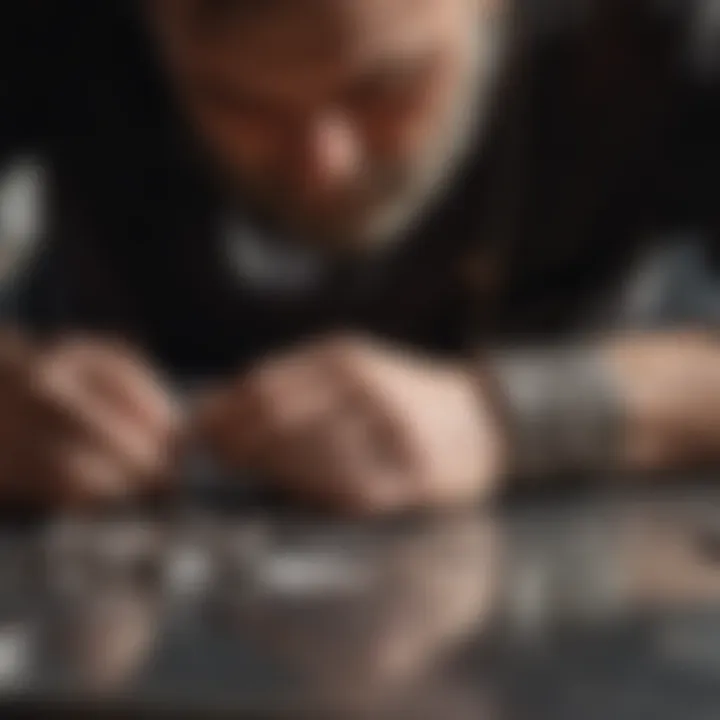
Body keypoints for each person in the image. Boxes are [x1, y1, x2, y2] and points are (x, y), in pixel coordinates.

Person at [0, 0, 717, 513]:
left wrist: (508, 417)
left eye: (386, 89)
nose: (324, 166)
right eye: (237, 103)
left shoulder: (651, 27)